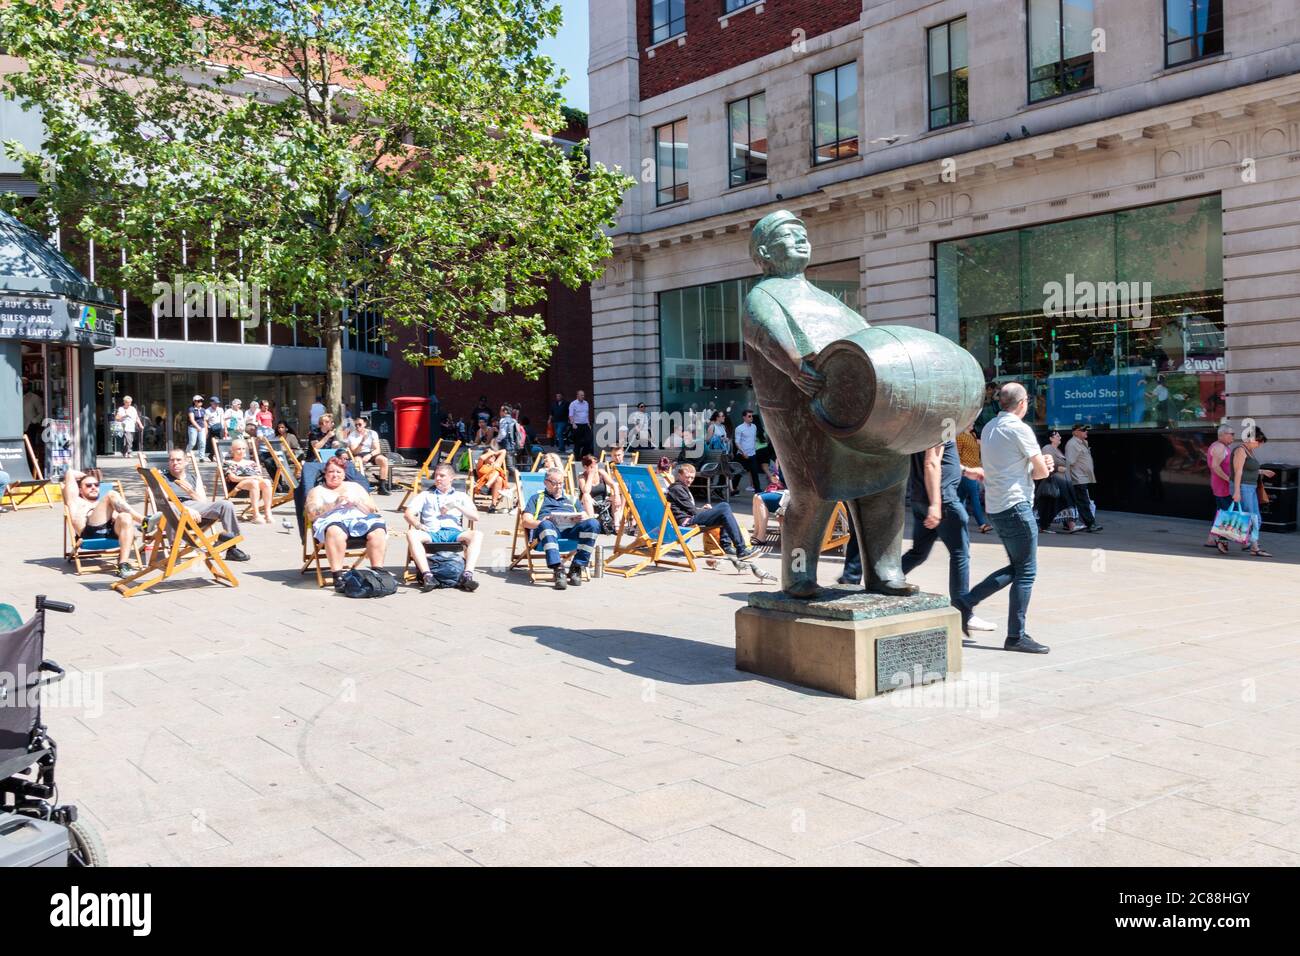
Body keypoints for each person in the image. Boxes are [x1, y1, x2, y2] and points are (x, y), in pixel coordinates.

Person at [958, 382, 1053, 654]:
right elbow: (1040, 474)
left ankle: (966, 602)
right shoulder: (1020, 430)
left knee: (1017, 567)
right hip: (1017, 506)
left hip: (997, 507)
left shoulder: (988, 428)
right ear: (1023, 403)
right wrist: (1045, 464)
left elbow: (1000, 466)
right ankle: (1016, 636)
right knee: (1026, 571)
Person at [899, 441, 997, 633]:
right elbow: (932, 462)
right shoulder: (943, 418)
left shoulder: (922, 424)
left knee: (918, 553)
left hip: (921, 498)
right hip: (944, 501)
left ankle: (885, 579)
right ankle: (963, 613)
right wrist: (937, 504)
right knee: (960, 554)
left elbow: (939, 460)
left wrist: (964, 470)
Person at [305, 454, 388, 586]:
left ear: (344, 474)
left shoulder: (354, 487)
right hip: (331, 522)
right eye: (331, 471)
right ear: (325, 473)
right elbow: (311, 514)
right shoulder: (317, 491)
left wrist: (357, 502)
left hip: (358, 521)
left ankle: (378, 572)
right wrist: (334, 504)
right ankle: (338, 576)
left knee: (378, 529)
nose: (335, 475)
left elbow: (371, 509)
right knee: (335, 530)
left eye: (339, 472)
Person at [62, 467, 158, 577]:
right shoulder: (75, 501)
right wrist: (86, 475)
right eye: (88, 485)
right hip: (89, 533)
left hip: (110, 531)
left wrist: (119, 517)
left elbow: (119, 518)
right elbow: (70, 473)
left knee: (125, 517)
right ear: (79, 490)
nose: (93, 487)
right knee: (111, 494)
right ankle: (143, 521)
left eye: (96, 485)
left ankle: (123, 565)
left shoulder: (104, 506)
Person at [404, 462, 482, 592]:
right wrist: (418, 525)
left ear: (452, 478)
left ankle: (467, 575)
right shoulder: (426, 495)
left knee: (477, 534)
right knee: (411, 534)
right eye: (436, 476)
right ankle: (427, 576)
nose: (438, 478)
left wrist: (456, 505)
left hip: (454, 533)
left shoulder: (461, 496)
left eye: (442, 476)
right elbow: (408, 514)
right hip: (431, 532)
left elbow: (475, 517)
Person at [161, 450, 251, 561]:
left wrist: (190, 492)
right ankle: (175, 547)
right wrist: (185, 509)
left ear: (186, 462)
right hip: (175, 510)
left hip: (196, 508)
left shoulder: (194, 478)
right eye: (172, 460)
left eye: (179, 460)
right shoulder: (163, 478)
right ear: (168, 462)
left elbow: (203, 502)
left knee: (226, 505)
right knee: (169, 508)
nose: (175, 463)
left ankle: (231, 546)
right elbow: (163, 502)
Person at [521, 467, 600, 590]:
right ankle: (558, 569)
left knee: (593, 523)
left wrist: (581, 518)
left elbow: (585, 516)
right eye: (554, 483)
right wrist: (543, 521)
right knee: (546, 525)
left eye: (561, 483)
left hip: (571, 532)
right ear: (546, 482)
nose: (559, 486)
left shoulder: (572, 499)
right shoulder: (537, 498)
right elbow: (526, 521)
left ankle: (577, 567)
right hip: (547, 534)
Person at [666, 463, 756, 559]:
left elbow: (689, 508)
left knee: (724, 514)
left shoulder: (680, 487)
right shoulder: (677, 489)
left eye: (692, 478)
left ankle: (728, 546)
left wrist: (703, 510)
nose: (689, 480)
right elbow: (693, 511)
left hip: (688, 518)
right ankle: (739, 549)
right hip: (685, 522)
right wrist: (707, 511)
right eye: (687, 477)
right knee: (724, 507)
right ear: (679, 476)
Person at [1227, 427, 1274, 557]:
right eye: (1258, 442)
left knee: (1253, 518)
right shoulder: (1240, 451)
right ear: (1251, 439)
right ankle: (1254, 546)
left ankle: (1248, 543)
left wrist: (1262, 472)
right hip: (1243, 487)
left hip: (1250, 487)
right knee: (1253, 518)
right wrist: (1236, 491)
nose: (1258, 445)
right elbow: (1238, 472)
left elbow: (1249, 469)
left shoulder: (1249, 451)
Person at [1035, 430, 1078, 533]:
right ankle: (1071, 526)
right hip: (1053, 481)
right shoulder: (1047, 448)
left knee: (1061, 503)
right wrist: (1057, 469)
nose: (1059, 437)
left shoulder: (1057, 450)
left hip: (1063, 482)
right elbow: (1045, 463)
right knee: (1061, 502)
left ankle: (1070, 525)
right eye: (1057, 436)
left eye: (1059, 435)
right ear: (1051, 438)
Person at [223, 439, 276, 523]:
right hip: (237, 488)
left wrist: (255, 478)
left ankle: (267, 512)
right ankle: (256, 514)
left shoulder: (251, 462)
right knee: (253, 482)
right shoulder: (228, 463)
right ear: (232, 450)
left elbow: (259, 476)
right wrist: (249, 479)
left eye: (243, 449)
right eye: (238, 449)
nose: (241, 451)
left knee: (267, 482)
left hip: (254, 487)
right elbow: (232, 478)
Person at [1064, 423, 1102, 532]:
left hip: (1083, 477)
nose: (1086, 431)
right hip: (1078, 478)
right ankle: (1091, 524)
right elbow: (1069, 462)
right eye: (1083, 430)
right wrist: (1068, 478)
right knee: (1083, 501)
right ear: (1075, 432)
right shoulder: (1072, 444)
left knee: (1079, 501)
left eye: (1086, 430)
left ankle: (1069, 523)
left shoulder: (1082, 443)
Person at [955, 423, 992, 533]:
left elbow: (977, 454)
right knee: (974, 497)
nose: (974, 423)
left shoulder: (973, 435)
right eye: (971, 421)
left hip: (974, 470)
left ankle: (954, 521)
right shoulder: (959, 436)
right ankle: (982, 524)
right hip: (966, 472)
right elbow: (956, 455)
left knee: (960, 499)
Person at [1205, 423, 1235, 548]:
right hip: (1222, 486)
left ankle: (1211, 539)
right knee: (1227, 513)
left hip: (1223, 485)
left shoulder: (1222, 446)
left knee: (1221, 512)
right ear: (1222, 435)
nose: (1233, 437)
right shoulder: (1219, 447)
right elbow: (1215, 466)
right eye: (1231, 434)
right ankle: (1223, 541)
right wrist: (1228, 479)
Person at [577, 453, 623, 534]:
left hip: (603, 502)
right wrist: (590, 476)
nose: (595, 468)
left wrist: (616, 495)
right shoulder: (582, 477)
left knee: (616, 496)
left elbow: (614, 484)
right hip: (589, 503)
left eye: (596, 465)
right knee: (586, 496)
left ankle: (616, 525)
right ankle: (592, 524)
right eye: (592, 466)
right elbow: (585, 491)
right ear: (585, 467)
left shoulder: (601, 472)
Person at [346, 416, 392, 495]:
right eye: (356, 425)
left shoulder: (372, 433)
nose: (357, 427)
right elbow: (354, 451)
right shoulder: (352, 435)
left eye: (359, 424)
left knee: (383, 460)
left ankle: (382, 486)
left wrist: (370, 455)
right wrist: (362, 441)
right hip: (359, 453)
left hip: (371, 453)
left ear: (365, 424)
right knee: (357, 462)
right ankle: (362, 485)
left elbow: (377, 449)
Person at [752, 459, 785, 544]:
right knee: (756, 497)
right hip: (785, 492)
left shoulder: (791, 458)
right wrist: (776, 478)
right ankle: (756, 532)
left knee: (760, 498)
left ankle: (761, 536)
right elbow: (781, 478)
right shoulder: (782, 458)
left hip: (791, 495)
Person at [732, 409, 762, 494]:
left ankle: (758, 491)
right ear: (744, 417)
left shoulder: (754, 427)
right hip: (742, 455)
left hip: (752, 454)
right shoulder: (739, 428)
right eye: (749, 416)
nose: (751, 417)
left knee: (754, 472)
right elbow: (737, 442)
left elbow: (753, 439)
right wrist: (743, 452)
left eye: (752, 416)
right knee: (738, 473)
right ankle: (733, 488)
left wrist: (754, 449)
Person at [475, 444, 509, 511]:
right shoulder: (481, 466)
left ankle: (493, 504)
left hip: (493, 487)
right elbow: (481, 458)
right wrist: (489, 453)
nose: (493, 457)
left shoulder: (496, 464)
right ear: (486, 457)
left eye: (494, 456)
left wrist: (494, 453)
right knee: (497, 473)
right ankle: (493, 504)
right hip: (483, 484)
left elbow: (503, 451)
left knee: (498, 476)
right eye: (490, 456)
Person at [569, 389, 593, 459]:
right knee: (577, 443)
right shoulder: (573, 404)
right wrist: (573, 424)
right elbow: (570, 415)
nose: (583, 396)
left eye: (583, 395)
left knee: (589, 440)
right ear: (577, 396)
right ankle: (577, 458)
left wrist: (588, 423)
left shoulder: (586, 403)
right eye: (581, 395)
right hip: (577, 425)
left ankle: (583, 456)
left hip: (585, 424)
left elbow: (587, 414)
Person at [185, 395, 207, 460]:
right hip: (193, 427)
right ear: (195, 402)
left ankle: (201, 457)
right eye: (199, 401)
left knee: (202, 442)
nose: (200, 402)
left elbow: (204, 420)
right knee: (192, 442)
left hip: (202, 427)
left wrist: (206, 429)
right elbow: (192, 419)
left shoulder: (203, 409)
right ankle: (187, 453)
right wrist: (197, 427)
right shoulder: (191, 409)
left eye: (201, 401)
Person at [204, 395, 226, 461]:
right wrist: (206, 430)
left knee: (220, 442)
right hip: (211, 428)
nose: (216, 404)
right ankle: (212, 456)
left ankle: (219, 456)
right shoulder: (207, 411)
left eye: (217, 403)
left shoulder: (221, 409)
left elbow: (223, 419)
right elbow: (205, 420)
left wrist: (225, 429)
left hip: (220, 428)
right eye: (215, 403)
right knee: (211, 444)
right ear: (211, 403)